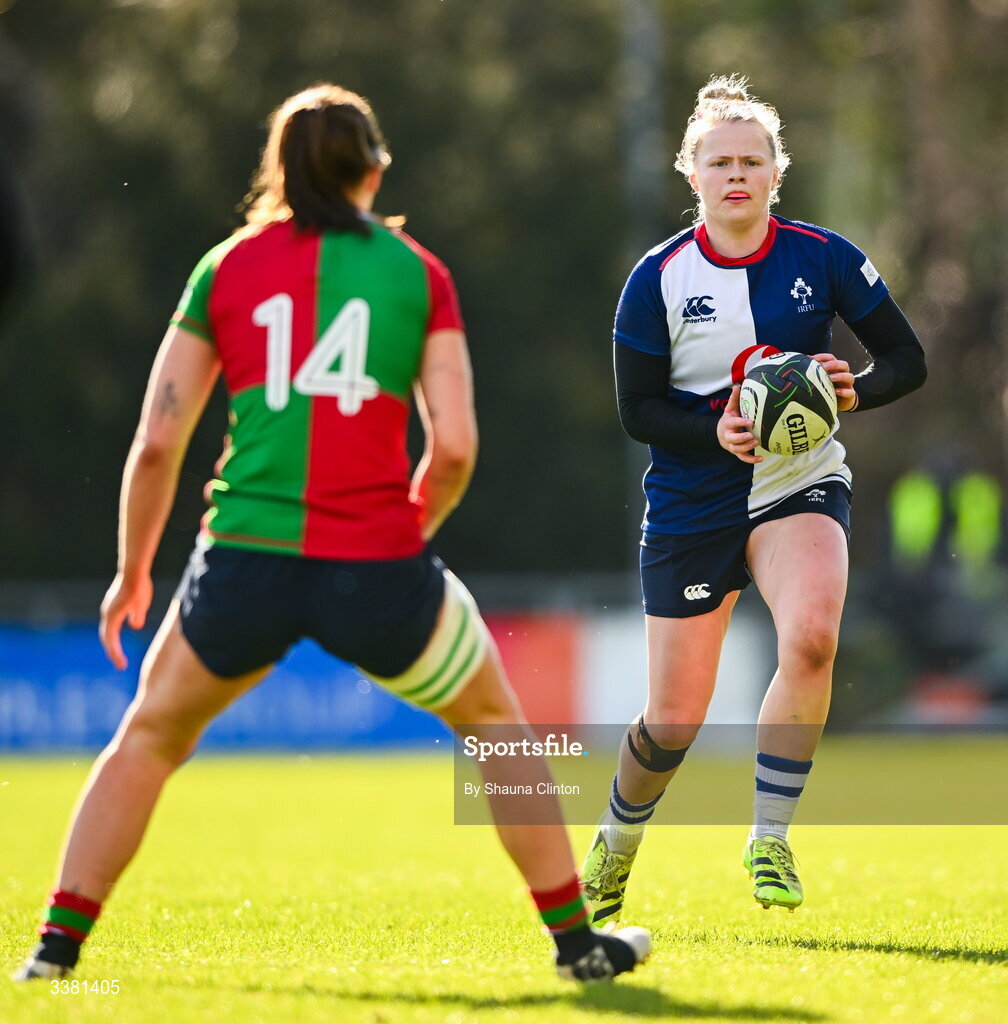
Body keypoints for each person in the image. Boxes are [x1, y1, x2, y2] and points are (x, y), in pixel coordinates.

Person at [14, 84, 649, 984]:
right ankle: (578, 945)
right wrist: (412, 526)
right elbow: (458, 446)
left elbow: (159, 440)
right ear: (376, 169)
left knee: (149, 737)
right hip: (379, 568)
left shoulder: (224, 269)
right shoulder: (416, 273)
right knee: (498, 729)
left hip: (244, 564)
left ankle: (54, 952)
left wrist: (131, 570)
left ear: (277, 171)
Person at [581, 74, 927, 924]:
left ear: (778, 171)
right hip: (693, 498)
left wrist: (852, 394)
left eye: (752, 159)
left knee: (811, 639)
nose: (736, 174)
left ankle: (768, 835)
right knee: (672, 720)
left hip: (796, 482)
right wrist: (717, 435)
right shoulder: (655, 279)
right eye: (718, 161)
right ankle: (616, 843)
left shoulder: (826, 257)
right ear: (690, 173)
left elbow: (906, 361)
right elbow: (637, 411)